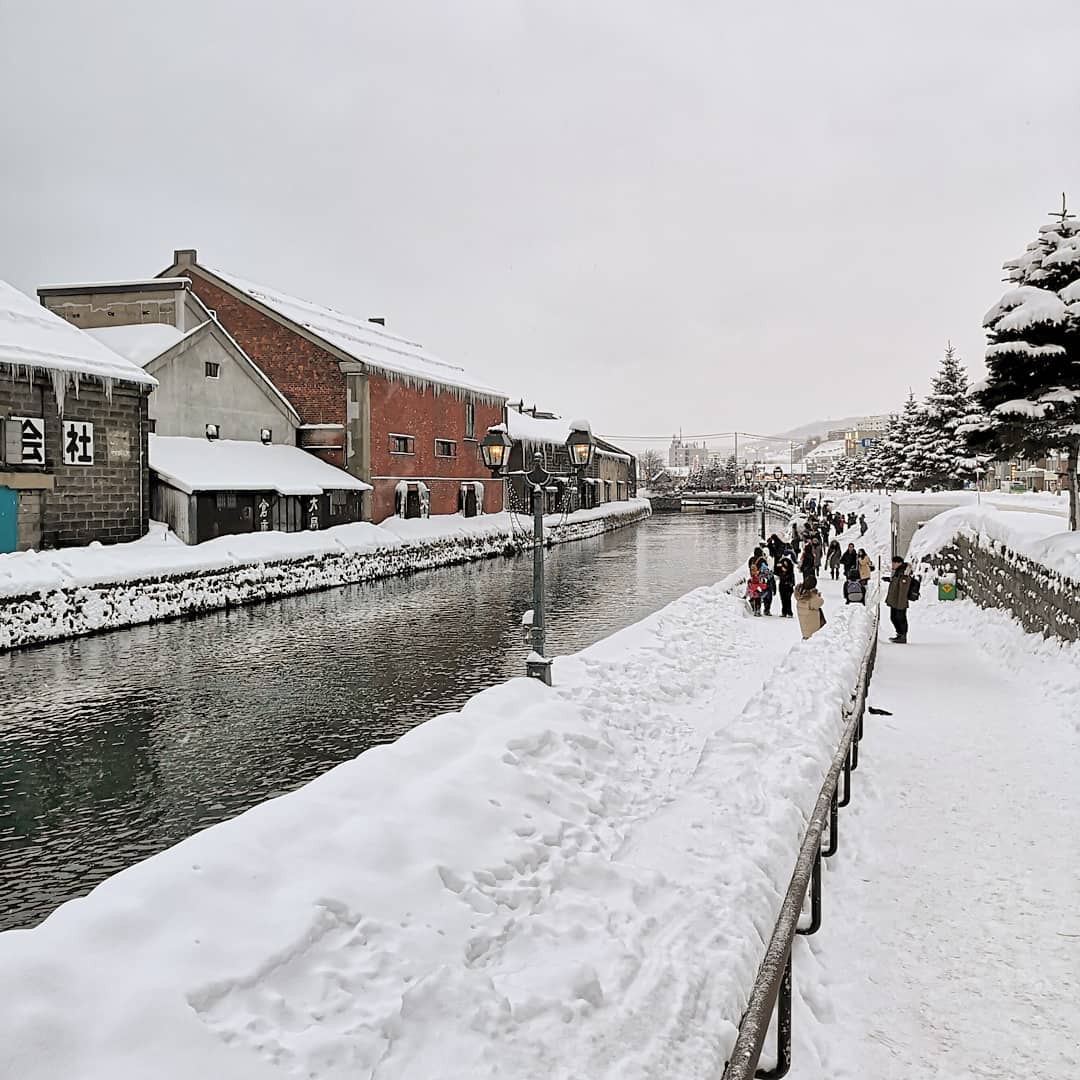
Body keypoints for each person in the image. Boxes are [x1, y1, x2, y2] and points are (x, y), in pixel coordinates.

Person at [885, 554, 913, 643]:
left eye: (894, 563)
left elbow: (903, 589)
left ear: (899, 563)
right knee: (893, 617)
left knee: (900, 618)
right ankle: (899, 634)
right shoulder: (898, 572)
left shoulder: (904, 573)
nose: (892, 565)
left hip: (900, 600)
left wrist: (900, 602)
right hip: (895, 600)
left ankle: (902, 636)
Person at [795, 574, 825, 639]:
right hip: (812, 624)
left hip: (804, 622)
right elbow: (820, 602)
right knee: (811, 638)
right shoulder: (811, 596)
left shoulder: (799, 594)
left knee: (806, 634)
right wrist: (817, 595)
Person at [775, 551, 796, 618]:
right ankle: (786, 612)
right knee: (786, 598)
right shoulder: (783, 561)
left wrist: (781, 572)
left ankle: (787, 612)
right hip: (786, 583)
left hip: (785, 583)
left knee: (785, 598)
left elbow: (788, 572)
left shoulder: (786, 562)